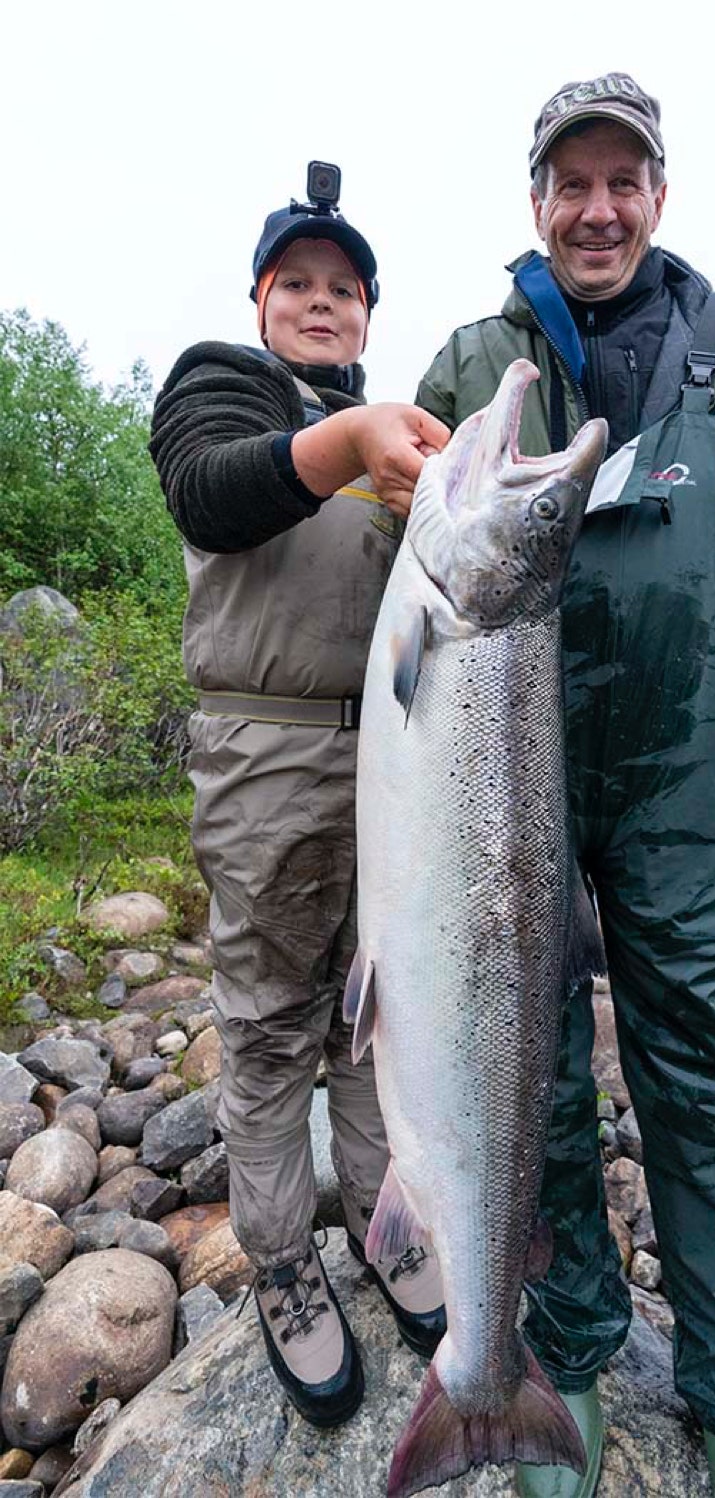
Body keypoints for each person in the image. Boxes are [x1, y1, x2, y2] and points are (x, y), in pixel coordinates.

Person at [416, 74, 715, 1498]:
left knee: (711, 1075)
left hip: (682, 766)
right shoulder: (471, 358)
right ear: (537, 200)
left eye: (623, 181)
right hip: (504, 779)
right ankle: (552, 1365)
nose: (597, 207)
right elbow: (410, 571)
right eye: (571, 182)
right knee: (524, 1076)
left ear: (658, 196)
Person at [149, 167, 450, 1429]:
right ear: (261, 299)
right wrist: (344, 444)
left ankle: (390, 1227)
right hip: (266, 758)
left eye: (345, 289)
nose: (321, 304)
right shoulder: (219, 383)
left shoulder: (406, 441)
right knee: (273, 1031)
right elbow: (209, 495)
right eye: (300, 285)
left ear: (369, 314)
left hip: (395, 764)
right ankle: (280, 1261)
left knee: (374, 1017)